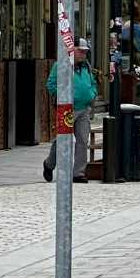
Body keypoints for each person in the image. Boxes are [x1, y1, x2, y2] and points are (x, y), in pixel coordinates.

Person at [42, 42, 98, 181]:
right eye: (81, 51)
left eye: (85, 52)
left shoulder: (86, 67)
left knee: (82, 140)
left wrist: (92, 93)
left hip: (84, 108)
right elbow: (51, 84)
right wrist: (63, 97)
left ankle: (78, 173)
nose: (84, 54)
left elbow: (93, 83)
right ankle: (49, 164)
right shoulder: (62, 64)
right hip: (67, 109)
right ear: (73, 50)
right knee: (62, 139)